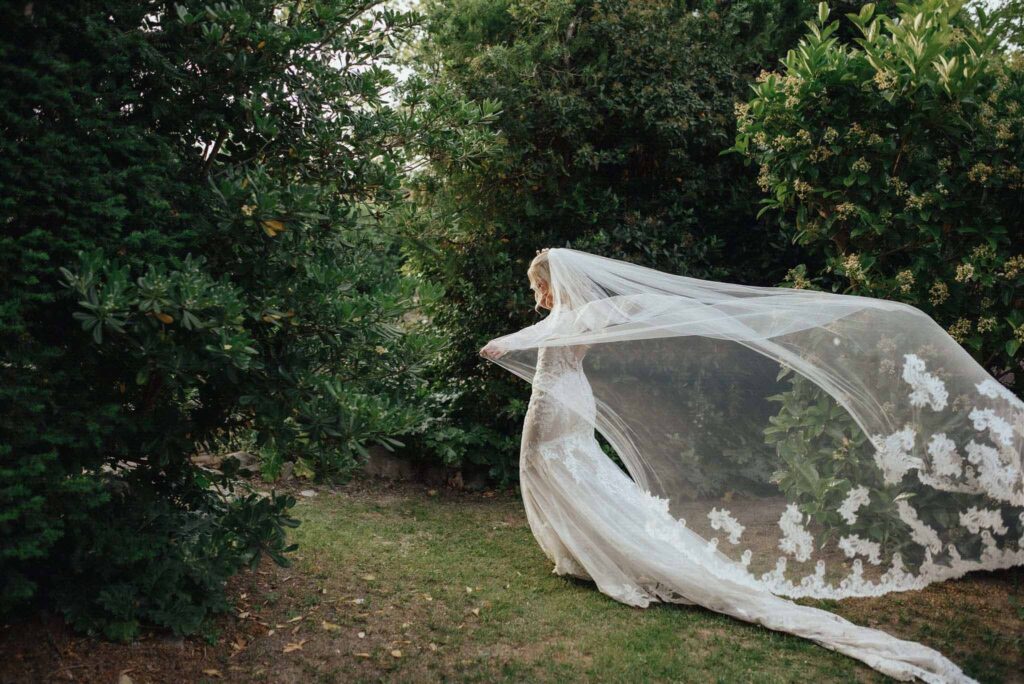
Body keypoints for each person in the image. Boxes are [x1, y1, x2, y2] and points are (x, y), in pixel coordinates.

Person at [480, 247, 1024, 683]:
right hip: (564, 400)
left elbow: (570, 330)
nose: (537, 296)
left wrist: (502, 344)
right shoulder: (571, 316)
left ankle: (600, 556)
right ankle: (581, 551)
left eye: (538, 287)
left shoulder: (584, 313)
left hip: (560, 402)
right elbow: (549, 333)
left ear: (553, 282)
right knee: (561, 470)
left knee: (548, 466)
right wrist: (512, 342)